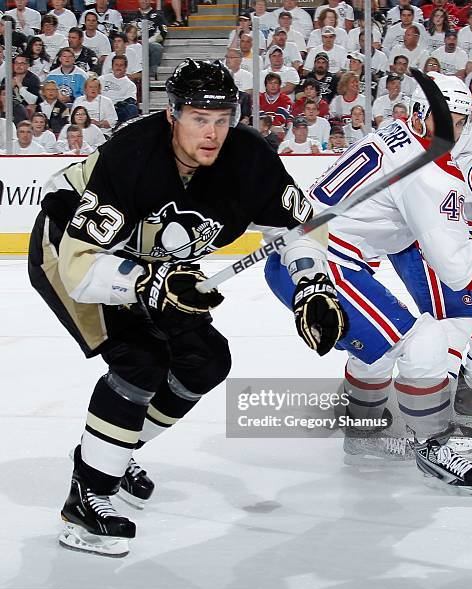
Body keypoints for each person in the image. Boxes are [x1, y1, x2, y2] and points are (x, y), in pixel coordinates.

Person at [27, 58, 345, 556]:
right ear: (172, 114)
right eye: (199, 118)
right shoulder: (131, 157)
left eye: (223, 119)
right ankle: (88, 497)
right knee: (140, 362)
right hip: (73, 251)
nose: (213, 133)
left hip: (156, 266)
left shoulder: (249, 159)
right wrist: (149, 284)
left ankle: (115, 447)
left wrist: (311, 284)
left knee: (205, 361)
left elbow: (299, 227)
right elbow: (81, 269)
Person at [265, 72, 472, 489]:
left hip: (304, 254)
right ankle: (434, 444)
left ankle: (364, 430)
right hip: (317, 266)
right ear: (418, 115)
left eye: (458, 121)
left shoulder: (398, 134)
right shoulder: (426, 173)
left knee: (377, 352)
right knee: (422, 343)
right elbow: (456, 267)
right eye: (442, 120)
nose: (451, 131)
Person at [125, 0, 166, 79]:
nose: (144, 2)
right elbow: (126, 31)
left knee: (157, 47)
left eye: (146, 0)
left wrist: (146, 42)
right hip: (133, 43)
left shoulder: (158, 16)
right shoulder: (132, 16)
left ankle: (151, 74)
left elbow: (162, 33)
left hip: (149, 44)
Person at [98, 55, 139, 124]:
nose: (118, 67)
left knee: (132, 108)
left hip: (118, 110)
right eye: (116, 65)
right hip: (101, 107)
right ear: (112, 66)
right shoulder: (102, 79)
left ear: (125, 67)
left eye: (121, 65)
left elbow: (131, 101)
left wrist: (115, 106)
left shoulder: (130, 85)